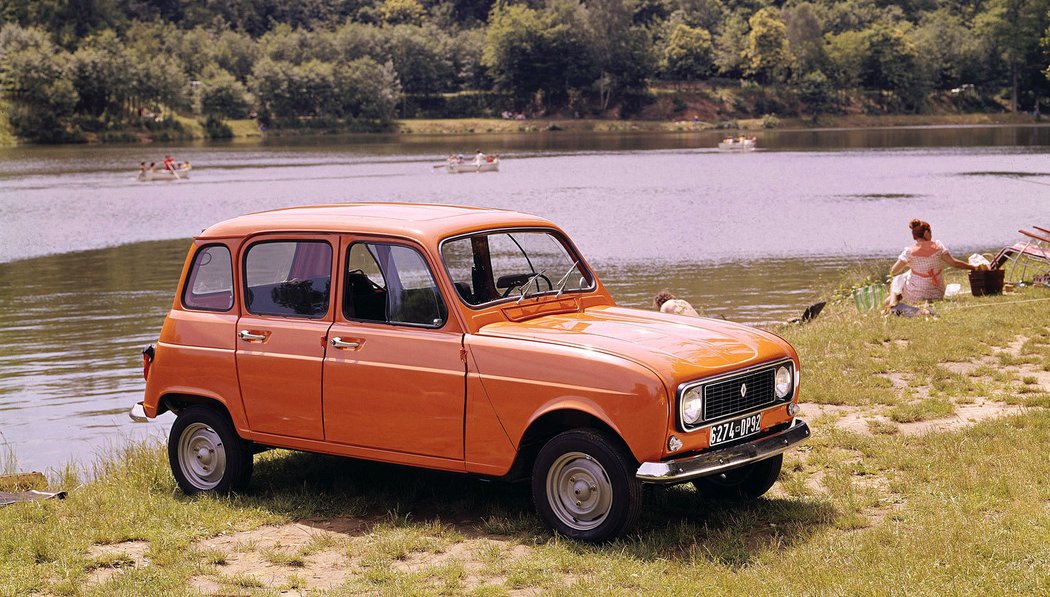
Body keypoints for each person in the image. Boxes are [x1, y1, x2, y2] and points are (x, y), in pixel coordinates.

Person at [887, 218, 976, 307]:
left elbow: (893, 271)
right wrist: (973, 267)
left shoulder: (909, 252)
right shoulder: (938, 247)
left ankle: (892, 303)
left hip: (916, 296)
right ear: (926, 233)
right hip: (938, 294)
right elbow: (955, 263)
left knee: (898, 278)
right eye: (930, 232)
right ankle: (892, 303)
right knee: (907, 275)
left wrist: (908, 264)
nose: (932, 234)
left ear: (915, 236)